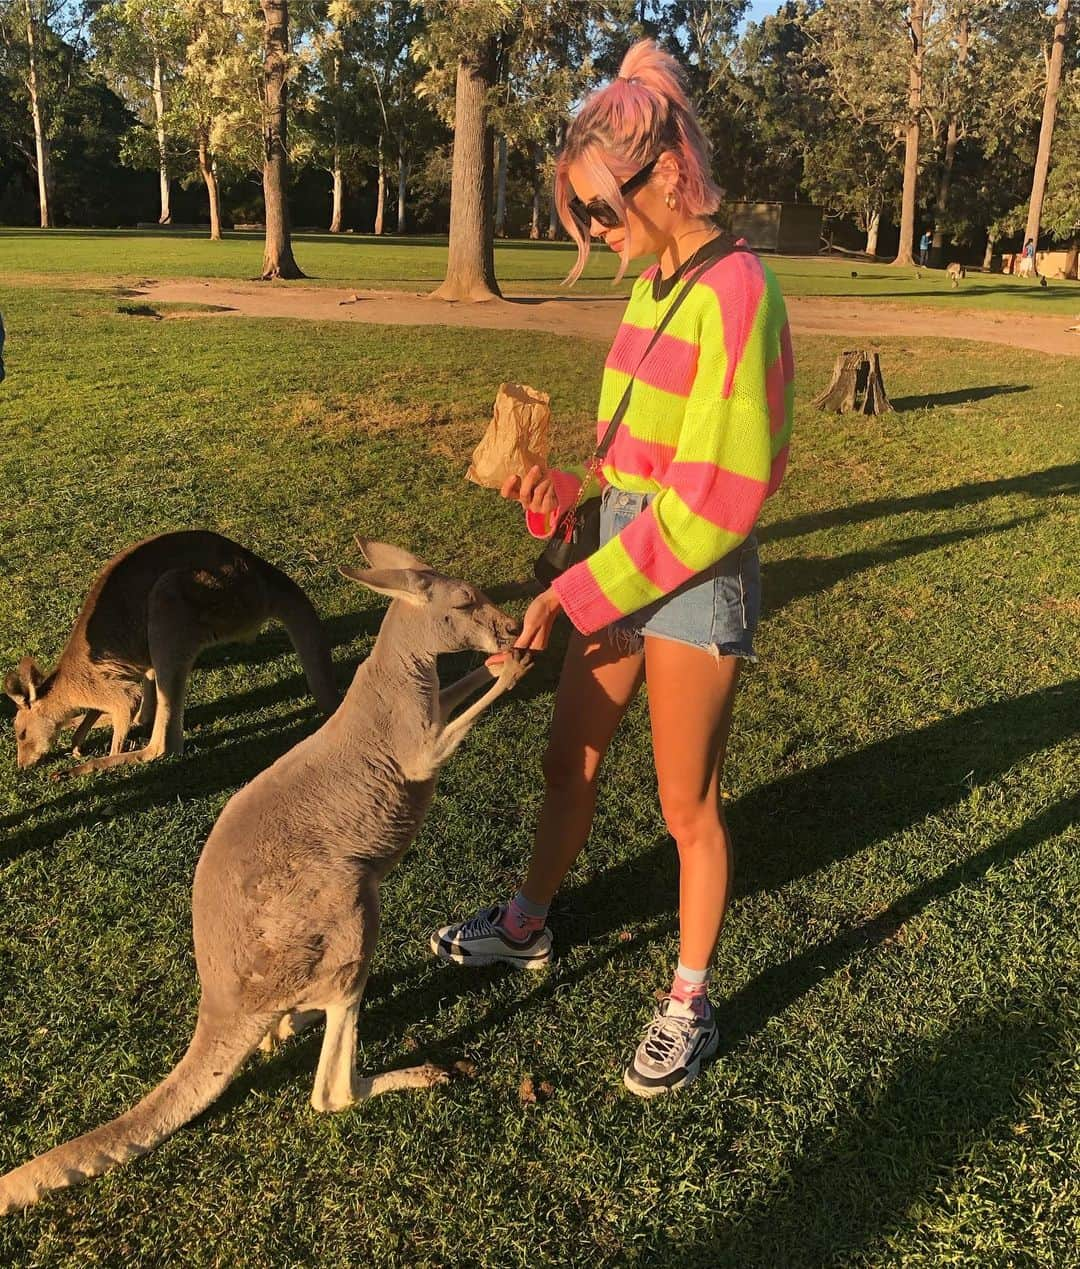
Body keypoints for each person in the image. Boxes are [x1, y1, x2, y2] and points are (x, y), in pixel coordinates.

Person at [431, 39, 794, 1097]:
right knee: (567, 760)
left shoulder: (739, 293)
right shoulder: (653, 286)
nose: (594, 232)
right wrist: (552, 496)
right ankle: (528, 924)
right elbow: (633, 474)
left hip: (697, 568)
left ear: (668, 176)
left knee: (688, 805)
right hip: (629, 546)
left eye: (601, 209)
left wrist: (574, 587)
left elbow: (718, 500)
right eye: (583, 214)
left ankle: (691, 1000)